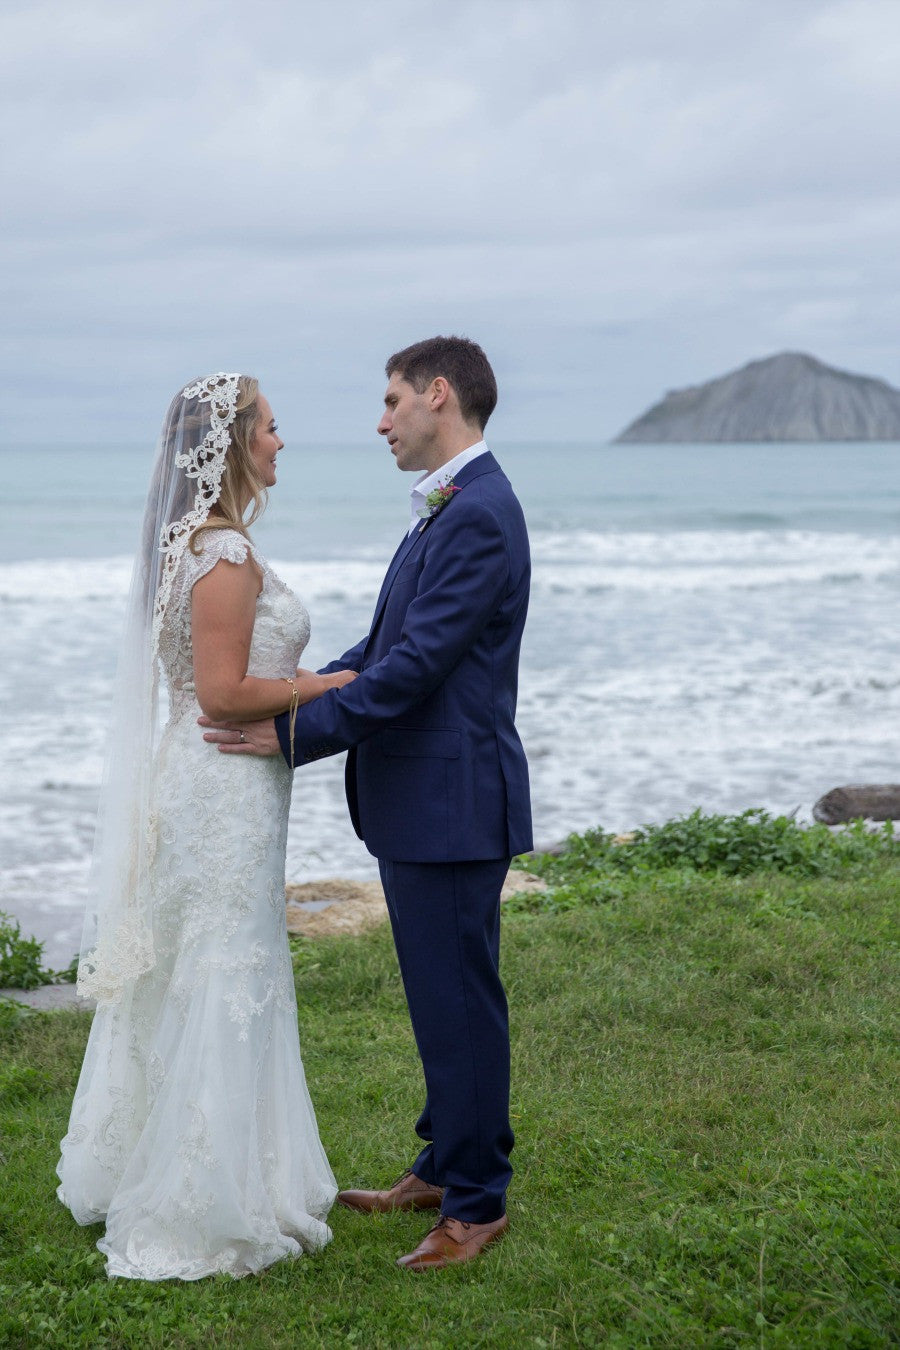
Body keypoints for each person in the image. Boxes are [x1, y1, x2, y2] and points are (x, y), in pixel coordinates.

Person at [201, 337, 532, 1271]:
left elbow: (419, 670)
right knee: (439, 995)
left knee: (460, 1000)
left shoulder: (477, 514)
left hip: (454, 799)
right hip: (430, 797)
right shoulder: (452, 508)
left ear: (439, 396)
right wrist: (307, 683)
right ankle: (440, 1162)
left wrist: (302, 730)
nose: (381, 422)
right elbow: (389, 646)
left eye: (392, 403)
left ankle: (474, 1204)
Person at [57, 373, 355, 1280]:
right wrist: (337, 687)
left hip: (213, 780)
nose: (279, 438)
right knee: (226, 961)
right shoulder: (222, 552)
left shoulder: (192, 544)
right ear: (231, 444)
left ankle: (180, 1160)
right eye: (269, 425)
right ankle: (202, 1193)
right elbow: (225, 693)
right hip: (222, 786)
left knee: (204, 962)